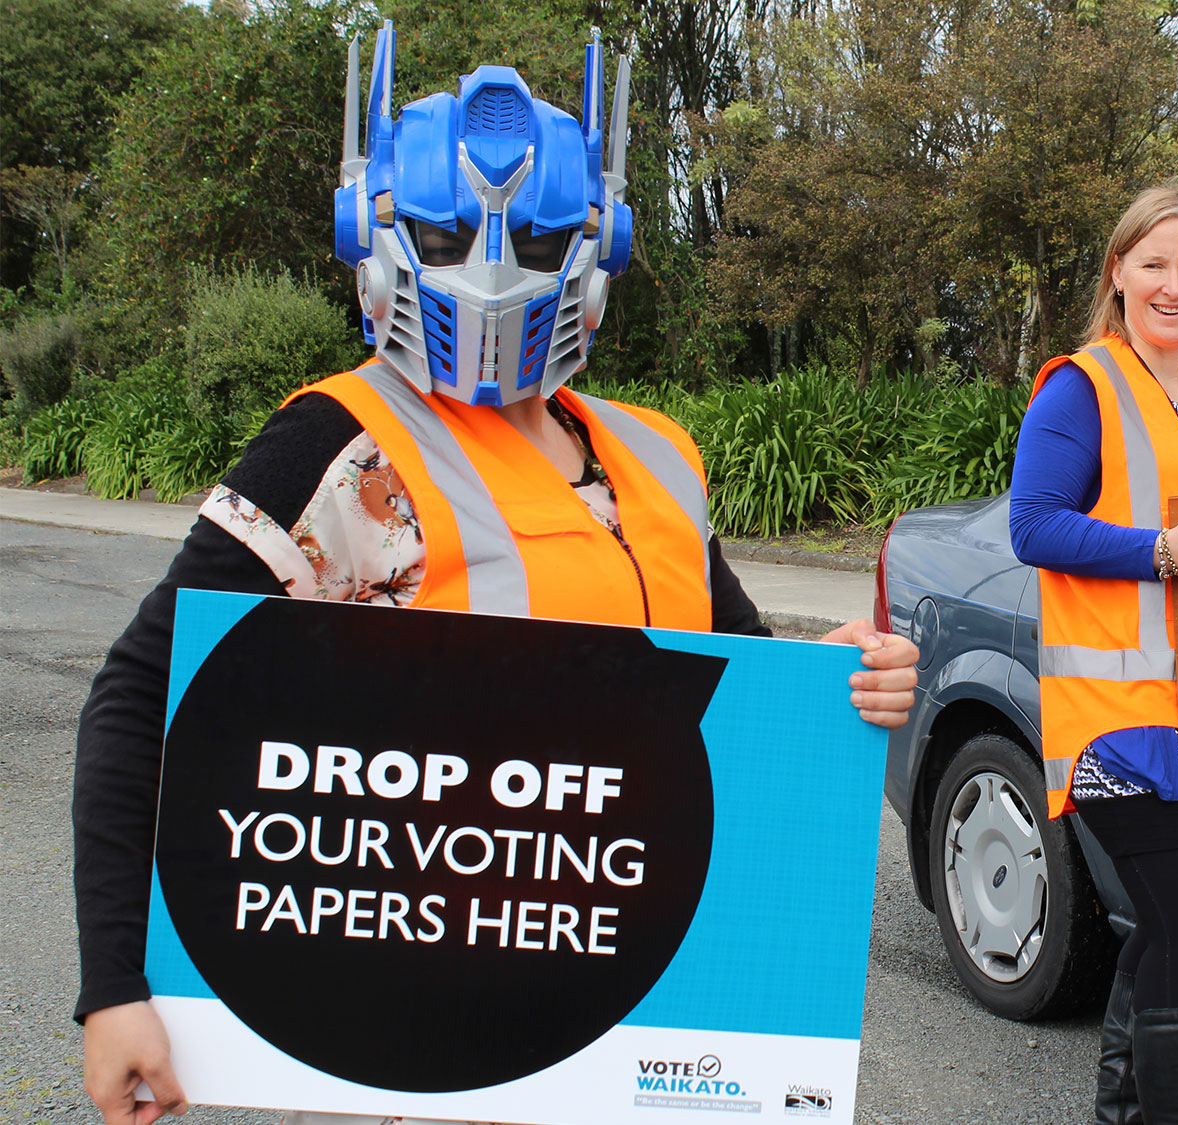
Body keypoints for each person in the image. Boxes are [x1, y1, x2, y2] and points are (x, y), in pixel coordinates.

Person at [73, 28, 917, 1125]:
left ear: (598, 241)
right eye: (441, 231)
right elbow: (145, 698)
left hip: (642, 1022)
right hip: (436, 1038)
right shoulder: (342, 444)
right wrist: (115, 989)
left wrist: (829, 683)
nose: (489, 268)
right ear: (371, 234)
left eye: (537, 233)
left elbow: (731, 681)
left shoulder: (656, 455)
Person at [1009, 179, 1178, 1125]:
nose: (1172, 284)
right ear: (1118, 271)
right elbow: (1034, 526)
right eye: (1153, 263)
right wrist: (1165, 552)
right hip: (1120, 725)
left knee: (1167, 936)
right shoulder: (1081, 386)